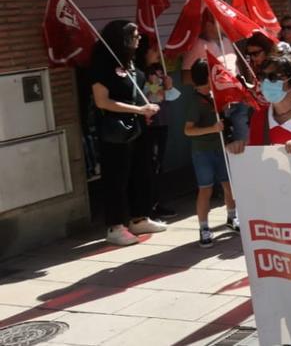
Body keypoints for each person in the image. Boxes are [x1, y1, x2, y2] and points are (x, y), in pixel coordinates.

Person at [90, 20, 165, 246]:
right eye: (134, 36)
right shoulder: (102, 65)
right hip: (115, 131)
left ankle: (139, 217)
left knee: (141, 171)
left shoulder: (130, 62)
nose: (138, 39)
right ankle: (115, 226)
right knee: (117, 178)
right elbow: (102, 101)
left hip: (137, 127)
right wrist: (139, 110)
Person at [184, 59, 236, 248]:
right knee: (205, 189)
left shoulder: (215, 97)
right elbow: (188, 130)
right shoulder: (195, 102)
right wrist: (213, 128)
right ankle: (204, 227)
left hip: (220, 148)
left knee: (229, 184)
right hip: (203, 152)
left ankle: (232, 217)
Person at [182, 11, 251, 153]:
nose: (225, 23)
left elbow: (236, 66)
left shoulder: (226, 40)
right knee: (230, 145)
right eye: (220, 20)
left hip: (239, 97)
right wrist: (211, 85)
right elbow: (187, 76)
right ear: (209, 24)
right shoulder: (198, 45)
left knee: (245, 140)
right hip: (219, 102)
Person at [135, 35, 178, 220]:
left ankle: (157, 202)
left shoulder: (159, 70)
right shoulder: (138, 73)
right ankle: (147, 206)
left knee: (159, 164)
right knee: (149, 165)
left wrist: (169, 87)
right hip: (148, 125)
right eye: (153, 50)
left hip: (162, 121)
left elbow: (169, 96)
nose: (157, 53)